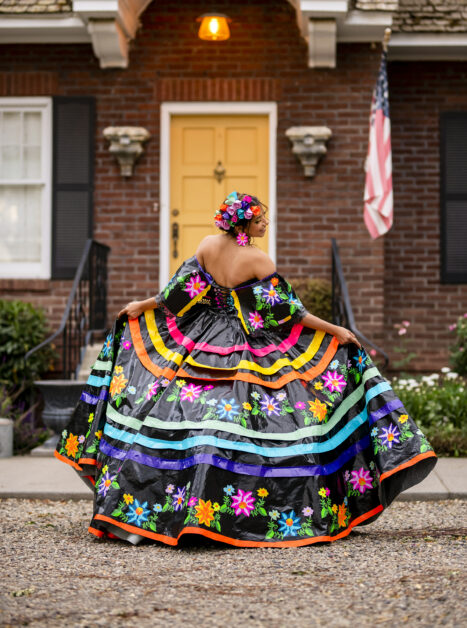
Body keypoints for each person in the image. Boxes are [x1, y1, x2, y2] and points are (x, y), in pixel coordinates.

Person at [55, 191, 436, 547]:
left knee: (187, 416)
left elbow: (177, 295)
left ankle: (161, 515)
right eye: (260, 219)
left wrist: (142, 303)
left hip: (201, 338)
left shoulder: (207, 245)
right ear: (243, 225)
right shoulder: (258, 260)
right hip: (245, 344)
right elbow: (288, 313)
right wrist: (336, 330)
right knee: (260, 420)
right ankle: (229, 515)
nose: (265, 224)